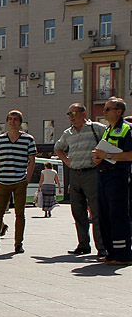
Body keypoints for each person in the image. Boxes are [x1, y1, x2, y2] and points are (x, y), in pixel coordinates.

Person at [54, 103, 107, 257]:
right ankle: (83, 244)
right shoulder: (68, 133)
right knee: (78, 211)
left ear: (83, 114)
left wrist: (101, 157)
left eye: (74, 113)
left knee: (96, 211)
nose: (71, 117)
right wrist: (66, 160)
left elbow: (109, 142)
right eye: (69, 114)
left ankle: (101, 247)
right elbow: (58, 147)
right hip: (75, 174)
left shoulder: (95, 128)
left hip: (92, 173)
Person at [0, 110, 37, 254]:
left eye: (15, 119)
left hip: (20, 180)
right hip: (3, 181)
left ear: (20, 123)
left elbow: (32, 160)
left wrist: (28, 177)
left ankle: (18, 244)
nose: (12, 121)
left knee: (20, 213)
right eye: (10, 119)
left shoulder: (28, 139)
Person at [91, 97, 132, 265]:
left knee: (118, 215)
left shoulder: (126, 129)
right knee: (104, 215)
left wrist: (106, 155)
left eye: (108, 109)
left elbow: (129, 155)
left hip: (118, 176)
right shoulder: (109, 129)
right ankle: (111, 252)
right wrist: (98, 158)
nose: (104, 111)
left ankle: (123, 255)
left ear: (119, 111)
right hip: (104, 174)